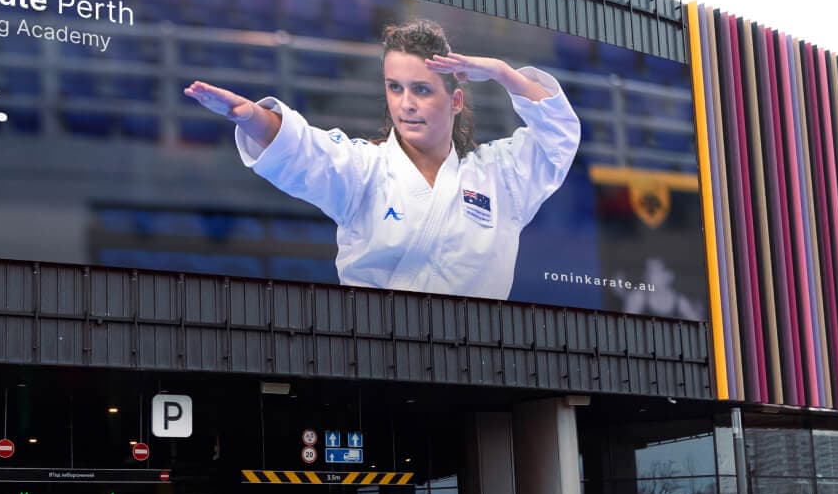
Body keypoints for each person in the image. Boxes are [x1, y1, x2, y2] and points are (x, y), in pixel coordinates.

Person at [183, 18, 581, 300]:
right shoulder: (364, 169)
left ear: (455, 100)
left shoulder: (500, 177)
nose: (406, 104)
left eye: (422, 90)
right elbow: (304, 149)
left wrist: (504, 73)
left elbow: (559, 138)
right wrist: (252, 116)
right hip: (379, 360)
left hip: (479, 363)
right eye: (395, 88)